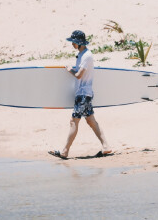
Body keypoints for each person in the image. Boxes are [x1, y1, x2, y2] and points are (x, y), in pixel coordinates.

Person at [48, 30, 112, 159]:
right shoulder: (82, 54)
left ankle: (65, 151)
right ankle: (106, 147)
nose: (72, 44)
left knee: (74, 121)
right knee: (91, 121)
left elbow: (79, 76)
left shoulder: (86, 56)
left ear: (78, 43)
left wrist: (70, 69)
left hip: (83, 94)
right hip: (85, 94)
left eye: (73, 42)